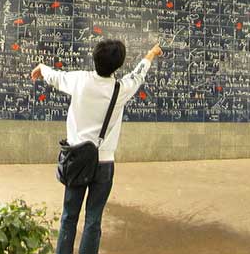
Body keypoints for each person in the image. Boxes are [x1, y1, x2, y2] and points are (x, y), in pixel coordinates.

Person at [31, 40, 163, 254]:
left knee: (68, 216)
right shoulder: (121, 89)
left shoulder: (80, 80)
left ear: (94, 58)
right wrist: (151, 54)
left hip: (76, 160)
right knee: (93, 220)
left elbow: (56, 77)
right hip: (104, 164)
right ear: (118, 65)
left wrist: (42, 68)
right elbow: (139, 74)